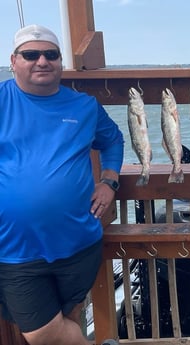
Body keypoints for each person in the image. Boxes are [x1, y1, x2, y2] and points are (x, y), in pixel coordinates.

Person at [0, 25, 124, 345]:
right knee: (43, 334)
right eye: (31, 54)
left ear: (59, 62)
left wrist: (109, 181)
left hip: (77, 241)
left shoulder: (84, 106)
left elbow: (113, 140)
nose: (42, 61)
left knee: (67, 319)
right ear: (14, 61)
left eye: (50, 54)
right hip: (14, 248)